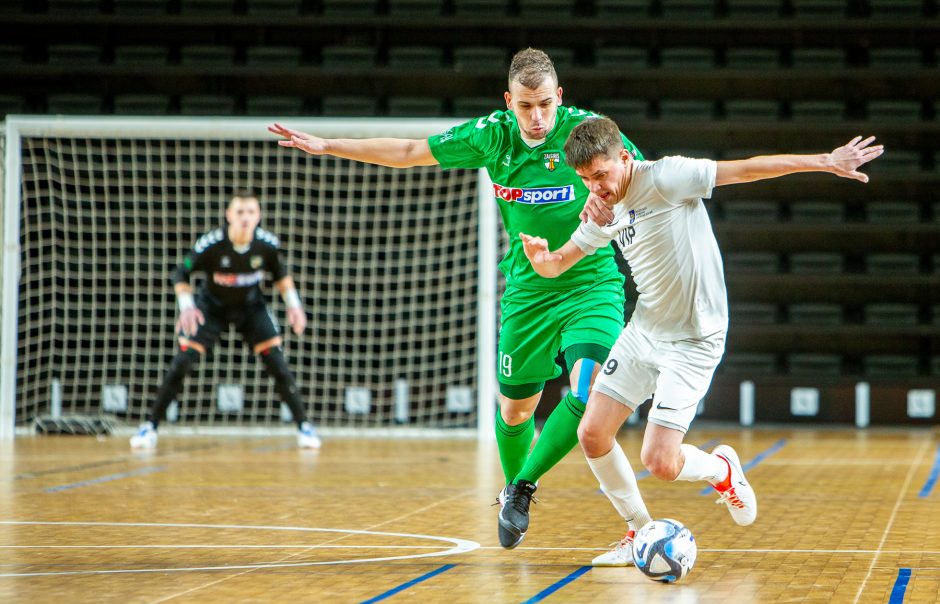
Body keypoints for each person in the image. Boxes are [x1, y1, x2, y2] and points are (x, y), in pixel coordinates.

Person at [269, 48, 646, 549]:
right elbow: (408, 152)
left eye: (545, 106)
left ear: (560, 97)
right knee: (515, 411)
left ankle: (521, 488)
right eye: (525, 106)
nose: (536, 118)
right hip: (527, 291)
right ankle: (517, 484)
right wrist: (331, 145)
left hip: (590, 281)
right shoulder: (491, 136)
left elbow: (644, 177)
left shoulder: (589, 134)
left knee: (586, 389)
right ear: (509, 101)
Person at [521, 117, 883, 566]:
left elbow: (748, 168)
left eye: (600, 175)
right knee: (592, 434)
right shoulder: (603, 208)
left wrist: (826, 162)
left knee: (660, 462)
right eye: (585, 180)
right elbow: (560, 263)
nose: (595, 187)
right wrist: (541, 259)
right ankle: (637, 532)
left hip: (694, 341)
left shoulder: (669, 177)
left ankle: (722, 470)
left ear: (624, 158)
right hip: (645, 331)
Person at [131, 190, 321, 450]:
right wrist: (186, 307)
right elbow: (180, 273)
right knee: (182, 362)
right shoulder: (212, 244)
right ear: (229, 215)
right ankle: (149, 427)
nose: (245, 217)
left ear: (259, 216)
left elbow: (282, 277)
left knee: (277, 363)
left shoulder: (266, 245)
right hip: (212, 307)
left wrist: (295, 307)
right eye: (240, 212)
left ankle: (305, 427)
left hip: (251, 307)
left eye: (251, 212)